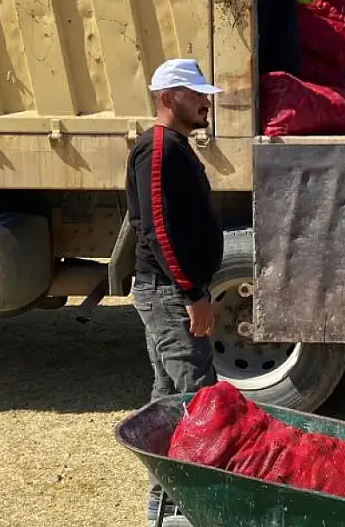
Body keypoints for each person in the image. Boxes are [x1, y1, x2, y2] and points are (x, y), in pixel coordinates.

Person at [126, 58, 225, 525]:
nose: (207, 102)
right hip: (168, 292)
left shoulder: (174, 146)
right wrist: (190, 292)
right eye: (197, 94)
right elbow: (158, 227)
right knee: (196, 399)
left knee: (169, 397)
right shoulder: (159, 147)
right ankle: (188, 508)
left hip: (171, 290)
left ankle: (164, 506)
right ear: (169, 98)